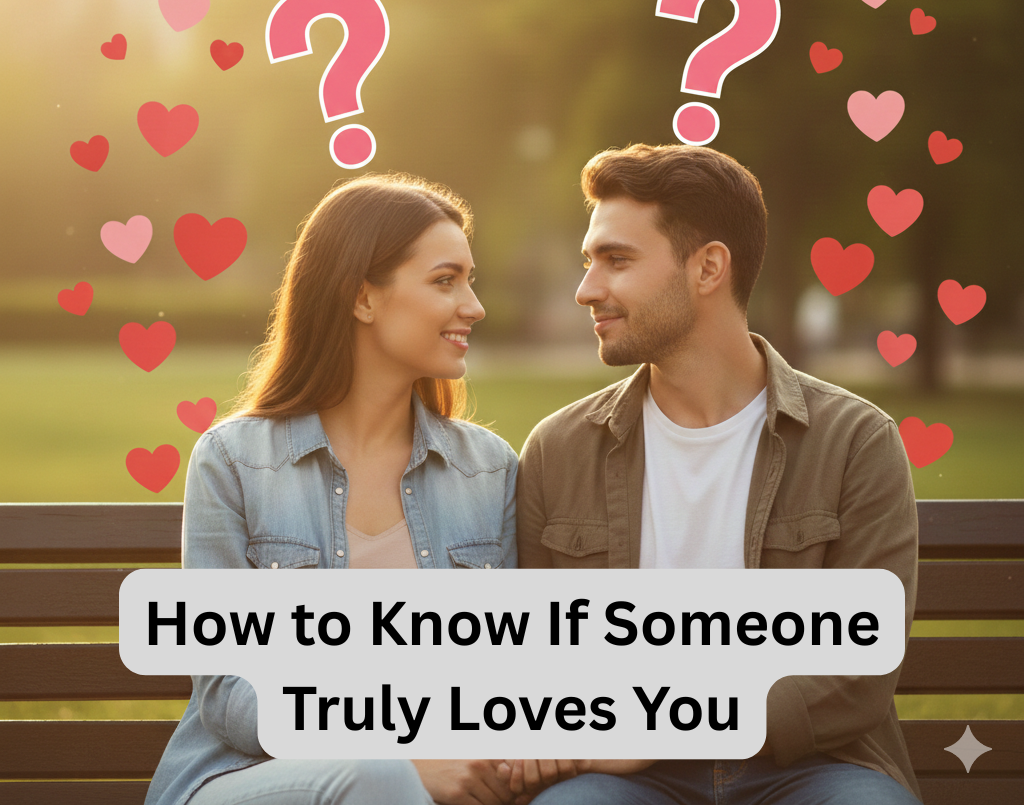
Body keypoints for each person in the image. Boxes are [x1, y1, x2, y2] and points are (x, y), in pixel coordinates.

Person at [515, 144, 922, 804]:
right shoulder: (558, 451)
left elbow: (859, 671)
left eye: (617, 260)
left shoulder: (854, 441)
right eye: (590, 261)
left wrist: (665, 725)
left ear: (708, 267)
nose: (587, 289)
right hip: (626, 777)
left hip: (811, 766)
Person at [146, 173, 534, 805]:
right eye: (445, 280)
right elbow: (227, 687)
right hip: (245, 780)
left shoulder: (489, 471)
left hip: (433, 785)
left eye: (469, 280)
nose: (474, 305)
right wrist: (404, 757)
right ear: (363, 298)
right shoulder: (235, 460)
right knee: (378, 778)